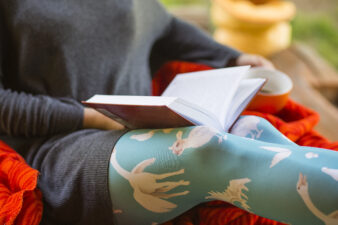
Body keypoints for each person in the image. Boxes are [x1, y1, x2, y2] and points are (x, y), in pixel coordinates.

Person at [0, 0, 336, 225]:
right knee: (206, 148)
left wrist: (231, 57)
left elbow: (163, 26)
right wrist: (92, 117)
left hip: (143, 119)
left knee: (251, 128)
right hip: (60, 147)